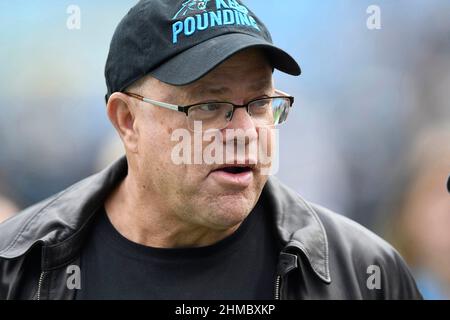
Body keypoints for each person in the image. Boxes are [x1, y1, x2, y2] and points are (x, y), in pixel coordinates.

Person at [0, 0, 421, 300]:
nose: (243, 132)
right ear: (127, 120)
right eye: (208, 105)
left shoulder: (366, 274)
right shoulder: (17, 267)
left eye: (259, 103)